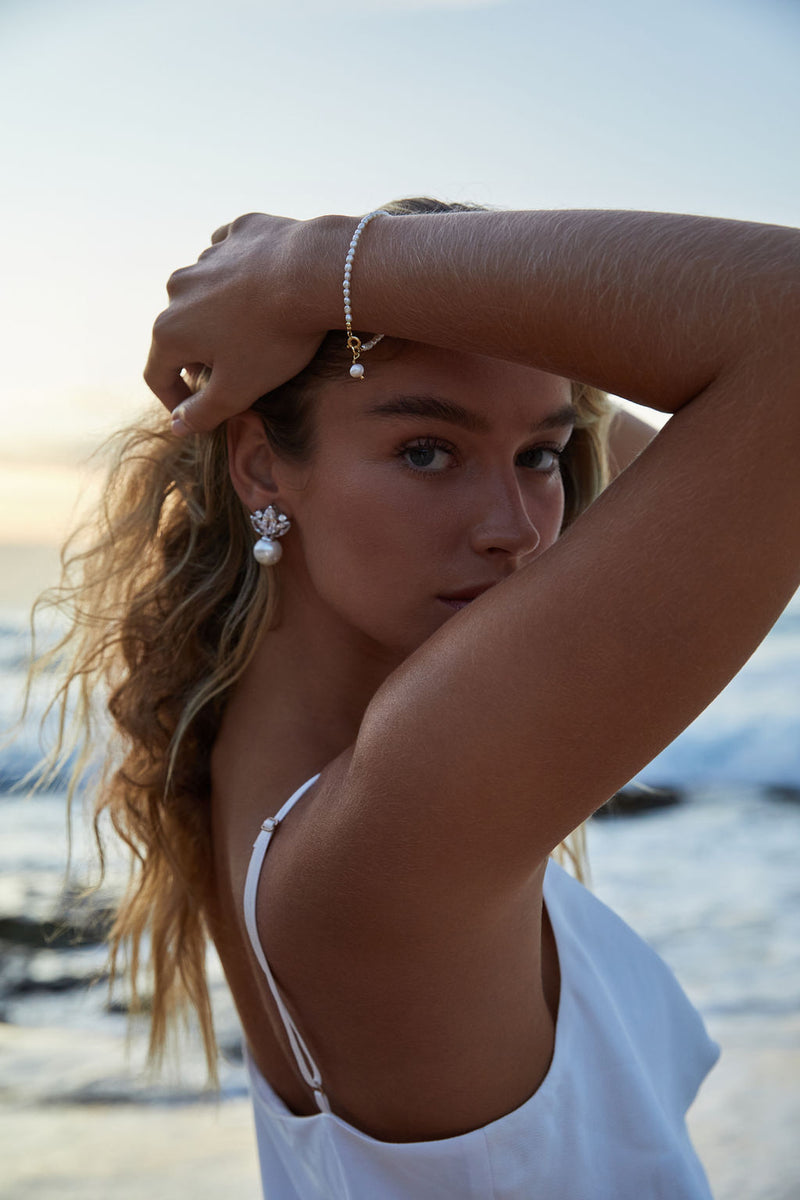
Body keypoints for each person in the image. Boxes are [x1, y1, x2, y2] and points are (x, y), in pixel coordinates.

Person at [39, 198, 799, 1198]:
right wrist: (315, 265)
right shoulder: (402, 806)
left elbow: (691, 467)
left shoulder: (292, 775)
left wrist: (349, 283)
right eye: (426, 452)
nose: (514, 530)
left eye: (538, 457)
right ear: (263, 466)